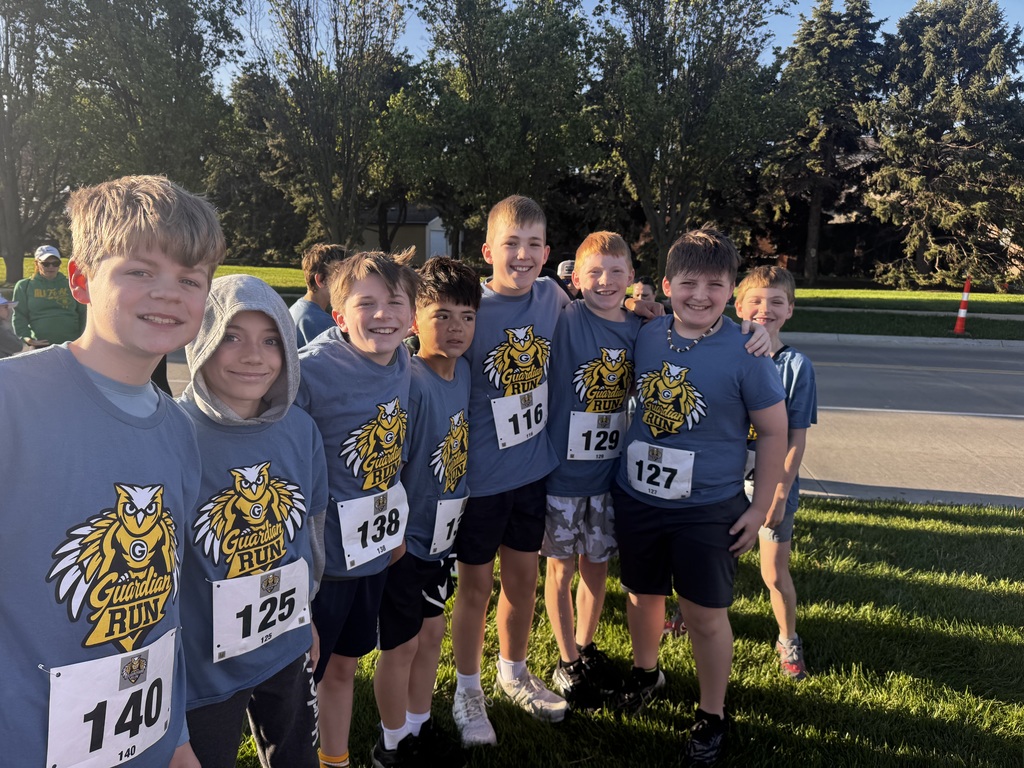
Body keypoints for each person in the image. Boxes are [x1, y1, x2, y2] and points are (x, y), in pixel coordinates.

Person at [0, 174, 226, 768]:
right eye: (140, 271)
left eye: (190, 279)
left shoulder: (178, 429)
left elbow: (163, 598)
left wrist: (176, 738)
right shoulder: (13, 403)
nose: (169, 293)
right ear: (80, 278)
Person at [610, 226, 788, 765]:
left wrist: (760, 506)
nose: (701, 295)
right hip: (638, 495)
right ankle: (647, 674)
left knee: (706, 613)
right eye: (689, 283)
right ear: (666, 285)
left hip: (708, 507)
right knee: (642, 594)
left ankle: (711, 713)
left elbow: (774, 432)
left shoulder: (747, 350)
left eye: (715, 284)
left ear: (732, 290)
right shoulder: (645, 332)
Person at [177, 274, 328, 767]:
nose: (253, 356)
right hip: (203, 669)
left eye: (270, 340)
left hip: (284, 644)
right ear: (201, 340)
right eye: (231, 337)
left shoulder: (301, 430)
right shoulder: (173, 434)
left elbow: (310, 528)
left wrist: (305, 615)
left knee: (296, 756)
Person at [450, 195, 571, 747]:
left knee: (523, 581)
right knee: (475, 588)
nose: (521, 256)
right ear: (487, 250)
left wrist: (650, 310)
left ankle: (514, 672)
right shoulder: (469, 307)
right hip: (479, 481)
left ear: (546, 253)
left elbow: (606, 308)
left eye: (532, 245)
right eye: (510, 244)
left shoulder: (551, 296)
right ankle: (467, 688)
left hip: (532, 471)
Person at [294, 250, 420, 768]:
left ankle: (336, 758)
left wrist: (392, 533)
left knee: (346, 666)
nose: (383, 314)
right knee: (302, 685)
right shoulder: (309, 373)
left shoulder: (403, 360)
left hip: (370, 555)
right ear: (339, 315)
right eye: (365, 303)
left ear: (412, 315)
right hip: (319, 568)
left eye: (395, 302)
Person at [371, 257, 481, 767]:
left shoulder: (462, 375)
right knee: (401, 645)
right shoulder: (408, 381)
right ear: (415, 320)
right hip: (404, 543)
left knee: (432, 633)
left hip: (443, 537)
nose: (456, 327)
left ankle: (418, 726)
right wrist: (392, 536)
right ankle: (391, 745)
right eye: (442, 315)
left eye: (466, 316)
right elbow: (386, 466)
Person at [543, 232, 643, 709]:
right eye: (594, 273)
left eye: (616, 272)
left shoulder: (641, 328)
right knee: (560, 571)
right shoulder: (564, 318)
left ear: (632, 278)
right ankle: (566, 661)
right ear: (575, 278)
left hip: (608, 479)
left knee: (596, 568)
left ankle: (584, 645)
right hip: (561, 477)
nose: (605, 282)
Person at [734, 265, 817, 681]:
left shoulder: (796, 366)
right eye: (756, 301)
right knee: (710, 555)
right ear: (738, 306)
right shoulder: (727, 350)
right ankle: (685, 611)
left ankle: (788, 640)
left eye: (776, 302)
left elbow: (794, 440)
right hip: (724, 479)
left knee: (772, 571)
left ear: (790, 310)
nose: (764, 310)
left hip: (772, 482)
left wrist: (778, 496)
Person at [12, 245, 87, 347]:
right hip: (41, 346)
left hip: (72, 345)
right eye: (46, 264)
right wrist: (26, 337)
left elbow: (84, 313)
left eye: (55, 263)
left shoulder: (71, 284)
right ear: (37, 264)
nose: (51, 267)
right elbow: (19, 315)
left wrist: (83, 338)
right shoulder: (24, 286)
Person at [291, 243, 347, 347]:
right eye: (340, 276)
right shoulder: (321, 323)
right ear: (321, 280)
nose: (346, 283)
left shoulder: (298, 309)